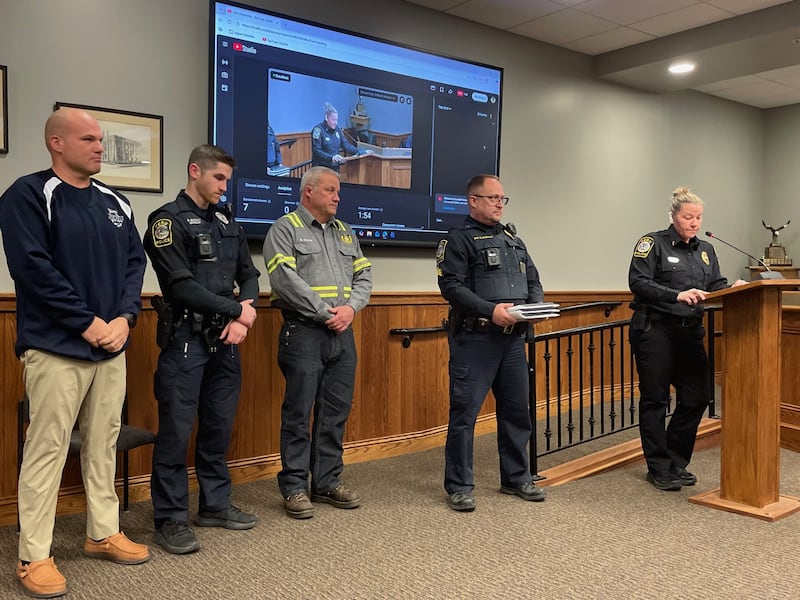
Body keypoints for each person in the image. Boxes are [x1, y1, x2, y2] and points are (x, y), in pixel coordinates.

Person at [0, 107, 150, 598]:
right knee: (47, 448)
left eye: (101, 140)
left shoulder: (116, 201)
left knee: (103, 442)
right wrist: (86, 323)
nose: (100, 147)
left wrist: (125, 319)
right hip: (56, 346)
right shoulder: (28, 194)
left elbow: (134, 265)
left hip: (112, 345)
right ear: (56, 143)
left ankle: (102, 532)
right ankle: (34, 556)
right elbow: (32, 270)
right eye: (89, 139)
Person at [143, 144, 261, 553]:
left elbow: (249, 275)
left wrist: (242, 314)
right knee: (176, 432)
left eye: (227, 179)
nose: (224, 188)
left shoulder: (228, 221)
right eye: (219, 178)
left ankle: (214, 505)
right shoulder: (166, 222)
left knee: (219, 426)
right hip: (186, 341)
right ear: (195, 171)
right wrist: (237, 312)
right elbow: (180, 285)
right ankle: (170, 518)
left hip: (226, 342)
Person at [262, 166, 373, 519]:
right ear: (308, 192)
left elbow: (364, 275)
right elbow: (284, 280)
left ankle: (326, 481)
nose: (337, 197)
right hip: (305, 331)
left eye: (337, 191)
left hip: (343, 333)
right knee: (298, 412)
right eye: (330, 190)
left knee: (335, 411)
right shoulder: (285, 229)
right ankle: (294, 486)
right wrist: (326, 313)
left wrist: (351, 310)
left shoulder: (345, 232)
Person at [435, 174, 546, 512]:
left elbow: (534, 280)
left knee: (517, 411)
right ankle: (459, 486)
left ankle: (515, 477)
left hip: (512, 341)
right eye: (493, 197)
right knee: (465, 416)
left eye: (503, 199)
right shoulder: (458, 240)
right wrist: (490, 310)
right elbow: (451, 287)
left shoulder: (514, 239)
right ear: (474, 201)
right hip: (476, 338)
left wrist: (534, 308)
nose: (500, 203)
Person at [628, 186, 746, 491]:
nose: (694, 223)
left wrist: (735, 287)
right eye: (688, 217)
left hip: (690, 330)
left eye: (698, 218)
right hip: (655, 329)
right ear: (673, 216)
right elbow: (638, 281)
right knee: (655, 398)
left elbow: (715, 284)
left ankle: (675, 459)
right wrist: (675, 294)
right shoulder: (652, 243)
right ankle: (658, 467)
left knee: (697, 395)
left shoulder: (706, 249)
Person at [310, 103, 365, 171]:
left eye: (336, 120)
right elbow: (316, 151)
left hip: (334, 168)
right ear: (326, 118)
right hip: (321, 168)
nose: (336, 122)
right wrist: (331, 158)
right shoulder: (318, 130)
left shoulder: (337, 129)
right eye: (333, 120)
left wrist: (360, 151)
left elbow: (346, 145)